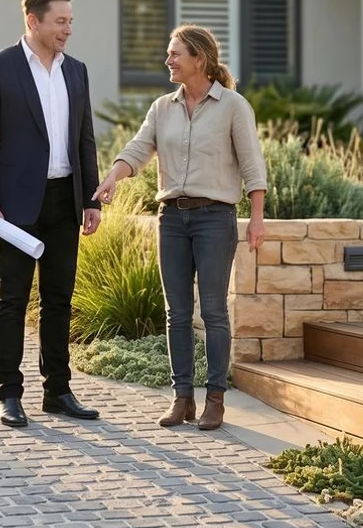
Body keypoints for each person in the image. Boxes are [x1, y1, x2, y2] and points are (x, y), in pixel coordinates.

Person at [94, 24, 267, 431]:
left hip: (214, 218)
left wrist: (257, 218)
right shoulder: (162, 107)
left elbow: (252, 165)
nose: (167, 60)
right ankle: (182, 398)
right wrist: (113, 176)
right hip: (171, 218)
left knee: (213, 312)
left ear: (199, 60)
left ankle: (216, 401)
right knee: (176, 313)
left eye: (175, 54)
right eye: (169, 53)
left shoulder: (233, 106)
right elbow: (139, 148)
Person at [0, 0, 103, 428]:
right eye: (60, 21)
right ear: (34, 21)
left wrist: (92, 198)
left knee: (59, 299)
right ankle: (10, 393)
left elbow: (85, 137)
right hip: (16, 205)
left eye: (70, 21)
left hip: (65, 199)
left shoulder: (76, 71)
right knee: (12, 299)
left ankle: (58, 391)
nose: (68, 29)